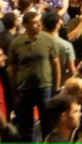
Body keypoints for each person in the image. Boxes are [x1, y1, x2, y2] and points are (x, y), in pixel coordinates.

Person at [8, 10, 60, 141]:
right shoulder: (17, 42)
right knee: (26, 126)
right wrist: (14, 88)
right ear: (25, 25)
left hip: (44, 86)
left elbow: (55, 64)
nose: (38, 25)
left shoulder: (48, 39)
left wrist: (57, 86)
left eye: (39, 22)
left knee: (47, 123)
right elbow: (12, 68)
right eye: (34, 23)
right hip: (24, 89)